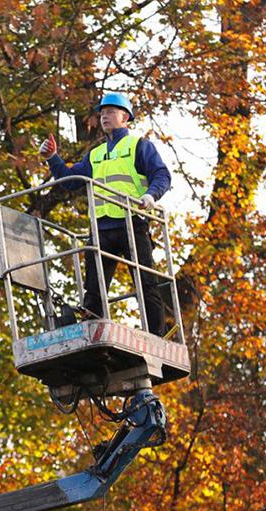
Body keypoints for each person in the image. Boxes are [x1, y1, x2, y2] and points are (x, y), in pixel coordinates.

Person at [38, 93, 172, 336]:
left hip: (132, 223)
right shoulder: (96, 154)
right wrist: (52, 158)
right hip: (102, 229)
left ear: (125, 117)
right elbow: (70, 181)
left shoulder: (138, 146)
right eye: (102, 113)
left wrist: (151, 196)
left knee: (146, 283)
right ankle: (92, 330)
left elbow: (161, 175)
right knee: (94, 290)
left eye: (110, 112)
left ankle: (157, 335)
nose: (104, 117)